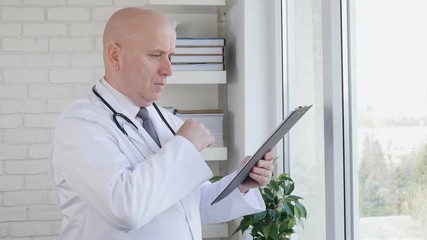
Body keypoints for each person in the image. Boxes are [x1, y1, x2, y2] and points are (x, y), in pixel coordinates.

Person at [49, 7, 275, 240]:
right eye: (156, 55)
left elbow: (191, 205)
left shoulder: (166, 120)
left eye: (170, 56)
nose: (168, 70)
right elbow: (126, 209)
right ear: (115, 56)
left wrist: (241, 183)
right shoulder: (79, 124)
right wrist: (184, 145)